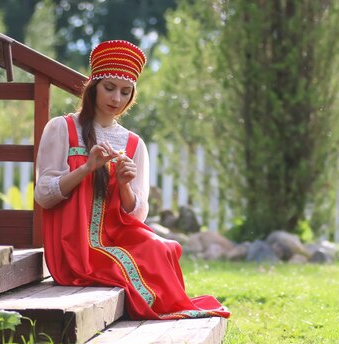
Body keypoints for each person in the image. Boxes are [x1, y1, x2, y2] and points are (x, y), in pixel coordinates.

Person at [35, 40, 230, 320]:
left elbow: (136, 214)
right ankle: (157, 307)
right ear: (93, 86)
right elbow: (43, 195)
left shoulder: (134, 144)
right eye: (109, 88)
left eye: (125, 92)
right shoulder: (63, 128)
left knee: (161, 248)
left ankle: (169, 307)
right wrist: (86, 168)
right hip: (73, 245)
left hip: (116, 235)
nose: (116, 99)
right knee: (131, 261)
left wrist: (125, 185)